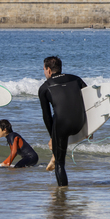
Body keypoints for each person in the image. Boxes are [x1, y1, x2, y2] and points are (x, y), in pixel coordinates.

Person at [38, 56, 87, 186]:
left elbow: (46, 116)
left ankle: (62, 194)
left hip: (62, 126)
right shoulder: (76, 79)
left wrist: (52, 137)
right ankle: (55, 154)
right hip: (79, 123)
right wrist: (89, 127)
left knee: (60, 163)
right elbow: (89, 101)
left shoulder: (44, 88)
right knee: (60, 114)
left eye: (43, 69)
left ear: (48, 70)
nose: (44, 72)